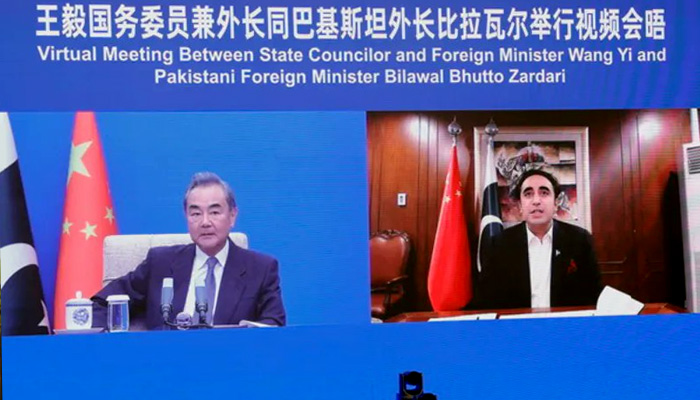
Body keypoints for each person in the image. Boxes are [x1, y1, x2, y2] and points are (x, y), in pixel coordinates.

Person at [91, 172, 285, 329]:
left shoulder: (261, 269)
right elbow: (102, 304)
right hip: (164, 368)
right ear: (186, 217)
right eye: (195, 213)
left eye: (215, 212)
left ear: (232, 216)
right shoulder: (160, 263)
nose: (205, 222)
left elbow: (273, 325)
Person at [478, 169, 602, 309]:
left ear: (556, 203)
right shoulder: (499, 244)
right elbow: (487, 299)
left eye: (544, 193)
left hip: (564, 327)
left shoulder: (580, 240)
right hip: (518, 327)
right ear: (520, 206)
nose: (536, 201)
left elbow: (594, 295)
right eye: (528, 194)